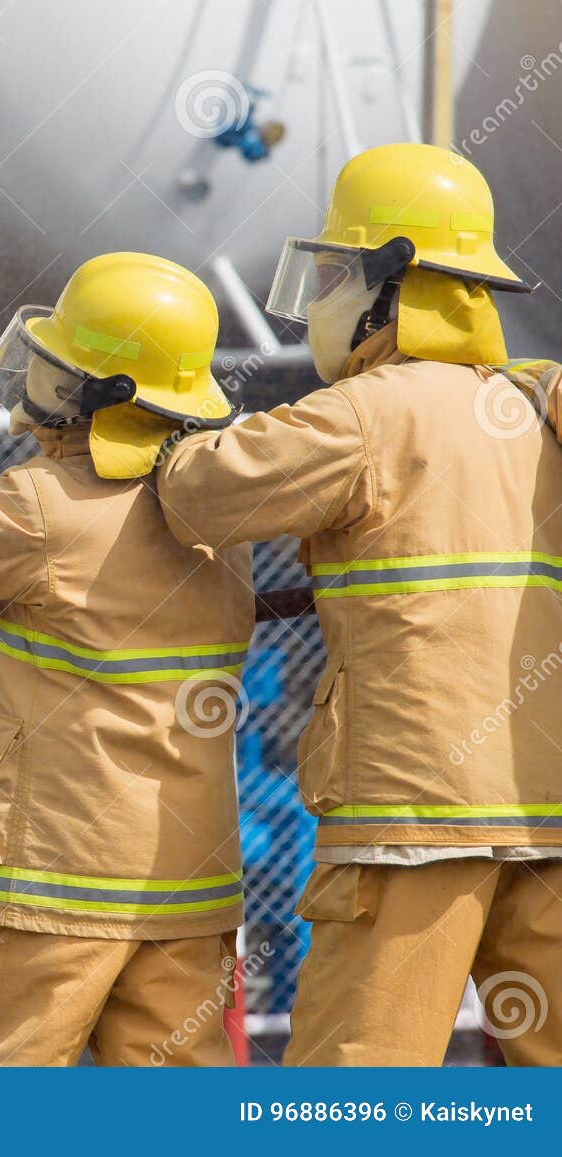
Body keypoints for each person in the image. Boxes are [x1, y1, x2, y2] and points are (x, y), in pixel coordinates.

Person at [155, 142, 562, 1066]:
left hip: (409, 811)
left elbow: (203, 496)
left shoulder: (368, 412)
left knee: (358, 1081)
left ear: (394, 283)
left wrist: (160, 434)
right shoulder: (531, 411)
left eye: (337, 272)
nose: (324, 296)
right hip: (543, 810)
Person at [0, 251, 254, 1065]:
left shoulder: (46, 505)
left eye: (58, 373)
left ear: (95, 396)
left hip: (45, 888)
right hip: (185, 888)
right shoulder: (222, 527)